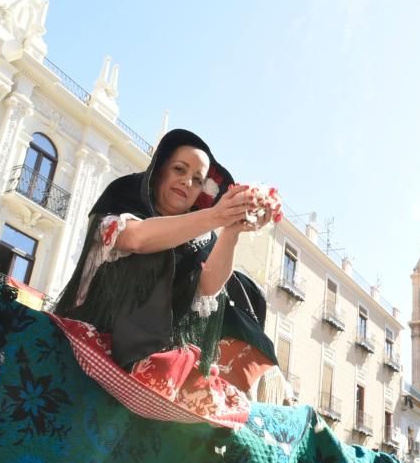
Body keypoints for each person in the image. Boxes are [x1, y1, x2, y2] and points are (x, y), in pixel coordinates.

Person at [55, 129, 279, 414]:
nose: (187, 182)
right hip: (87, 349)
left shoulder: (202, 236)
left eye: (198, 180)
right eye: (179, 169)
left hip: (153, 372)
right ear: (159, 170)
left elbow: (208, 286)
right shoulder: (122, 202)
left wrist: (231, 230)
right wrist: (215, 216)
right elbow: (137, 239)